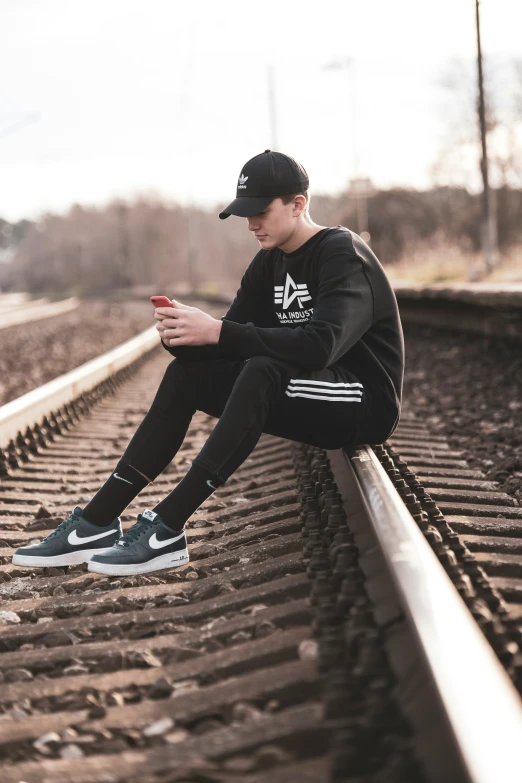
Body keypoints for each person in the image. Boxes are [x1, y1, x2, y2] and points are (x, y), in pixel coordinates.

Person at [12, 150, 404, 576]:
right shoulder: (268, 263)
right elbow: (230, 343)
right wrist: (185, 337)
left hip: (362, 400)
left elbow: (320, 347)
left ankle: (166, 528)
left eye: (261, 211)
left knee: (263, 373)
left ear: (298, 204)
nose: (251, 223)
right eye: (244, 214)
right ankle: (96, 522)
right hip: (312, 389)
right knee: (187, 376)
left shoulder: (341, 252)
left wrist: (217, 331)